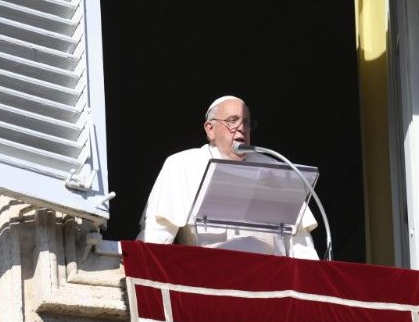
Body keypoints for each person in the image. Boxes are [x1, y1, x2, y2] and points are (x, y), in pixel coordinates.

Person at [136, 95, 320, 259]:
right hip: (210, 274)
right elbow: (158, 232)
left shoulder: (275, 167)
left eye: (246, 122)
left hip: (271, 277)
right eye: (232, 121)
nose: (241, 129)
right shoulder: (182, 164)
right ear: (210, 129)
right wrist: (142, 265)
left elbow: (300, 242)